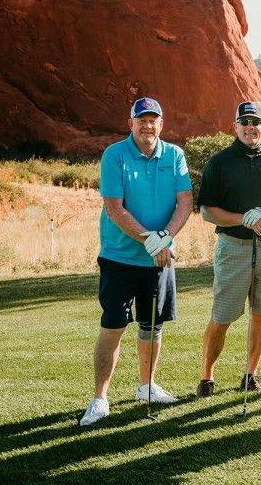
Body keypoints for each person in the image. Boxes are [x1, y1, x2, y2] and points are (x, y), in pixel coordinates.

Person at [79, 97, 193, 426]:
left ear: (161, 123)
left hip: (158, 257)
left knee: (152, 325)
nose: (147, 125)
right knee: (113, 325)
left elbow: (185, 203)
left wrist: (165, 238)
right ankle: (100, 398)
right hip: (120, 257)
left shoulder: (174, 155)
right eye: (141, 119)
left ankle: (146, 386)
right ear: (130, 123)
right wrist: (151, 240)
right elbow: (114, 209)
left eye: (153, 119)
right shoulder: (115, 155)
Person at [194, 101, 261, 398]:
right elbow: (208, 211)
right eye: (245, 122)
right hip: (234, 247)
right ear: (235, 126)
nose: (250, 128)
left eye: (256, 122)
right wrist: (243, 219)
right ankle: (207, 376)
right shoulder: (220, 162)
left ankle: (250, 375)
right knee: (222, 316)